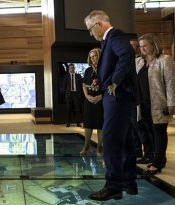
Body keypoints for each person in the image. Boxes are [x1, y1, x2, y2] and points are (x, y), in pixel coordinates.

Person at [84, 10, 139, 201]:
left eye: (90, 29)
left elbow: (126, 54)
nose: (91, 34)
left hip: (117, 96)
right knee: (125, 140)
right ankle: (128, 182)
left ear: (98, 24)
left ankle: (113, 186)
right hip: (118, 97)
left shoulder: (114, 35)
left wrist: (114, 82)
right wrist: (103, 80)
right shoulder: (108, 41)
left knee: (110, 140)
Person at [137, 33, 175, 174]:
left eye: (145, 45)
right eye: (141, 46)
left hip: (159, 103)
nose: (142, 49)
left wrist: (172, 103)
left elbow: (171, 83)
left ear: (153, 45)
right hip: (143, 104)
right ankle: (154, 158)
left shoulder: (165, 60)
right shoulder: (140, 62)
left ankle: (159, 162)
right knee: (149, 132)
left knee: (159, 132)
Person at [131, 37, 155, 164]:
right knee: (138, 128)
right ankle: (142, 153)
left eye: (138, 46)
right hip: (136, 100)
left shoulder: (154, 61)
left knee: (147, 129)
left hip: (150, 100)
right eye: (138, 46)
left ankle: (151, 154)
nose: (138, 49)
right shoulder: (136, 62)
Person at [80, 48, 103, 156]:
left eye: (95, 56)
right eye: (91, 57)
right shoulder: (88, 70)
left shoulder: (105, 69)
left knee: (100, 125)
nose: (93, 58)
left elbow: (109, 86)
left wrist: (101, 96)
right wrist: (87, 96)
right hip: (89, 101)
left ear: (100, 56)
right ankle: (87, 145)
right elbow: (84, 84)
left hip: (101, 101)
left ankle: (100, 147)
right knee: (88, 124)